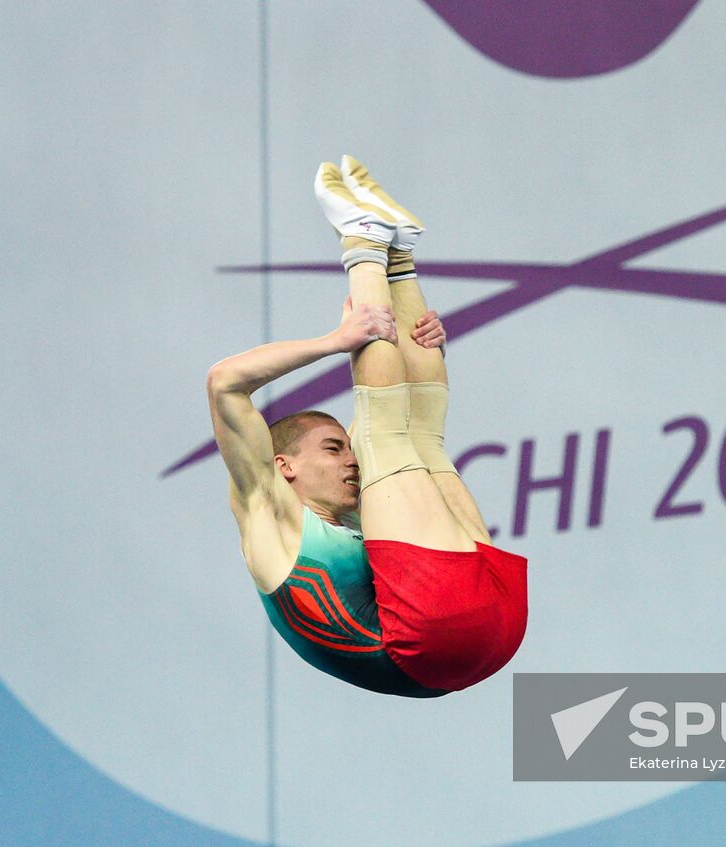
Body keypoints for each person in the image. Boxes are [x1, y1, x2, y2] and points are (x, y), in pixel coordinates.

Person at [205, 156, 528, 697]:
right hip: (437, 643)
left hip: (484, 630)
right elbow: (224, 383)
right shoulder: (267, 510)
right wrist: (336, 340)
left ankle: (396, 255)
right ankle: (366, 244)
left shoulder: (371, 519)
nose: (350, 460)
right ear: (283, 465)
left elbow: (394, 414)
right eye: (333, 448)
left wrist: (414, 335)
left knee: (415, 434)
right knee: (392, 433)